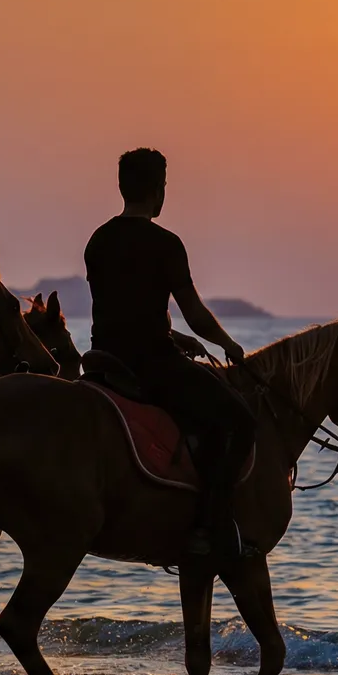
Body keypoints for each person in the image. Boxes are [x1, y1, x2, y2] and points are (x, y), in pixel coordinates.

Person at [84, 148, 255, 559]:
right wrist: (227, 344)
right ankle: (210, 528)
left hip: (106, 360)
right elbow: (194, 312)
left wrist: (174, 336)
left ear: (123, 187)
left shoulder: (98, 240)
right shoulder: (166, 244)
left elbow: (122, 311)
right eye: (164, 186)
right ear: (157, 190)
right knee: (238, 421)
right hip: (151, 365)